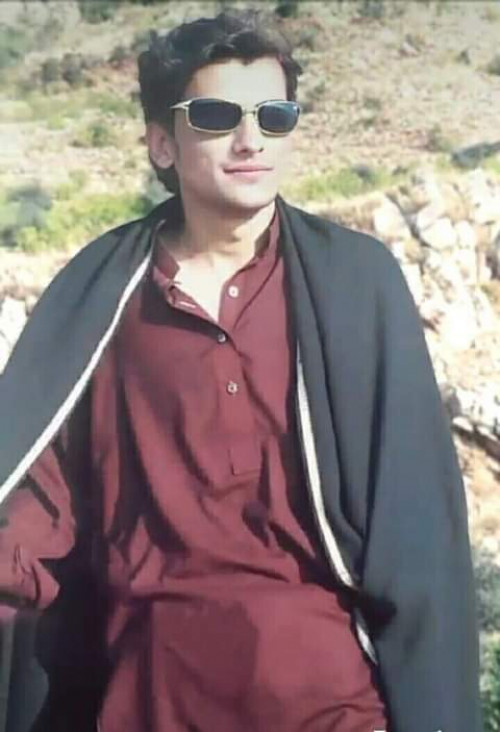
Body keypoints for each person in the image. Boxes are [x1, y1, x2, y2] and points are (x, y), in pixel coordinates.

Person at [0, 8, 482, 732]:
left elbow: (419, 537)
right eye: (218, 115)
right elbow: (37, 510)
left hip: (333, 705)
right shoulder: (102, 295)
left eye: (274, 116)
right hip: (150, 699)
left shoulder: (356, 284)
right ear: (161, 142)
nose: (252, 139)